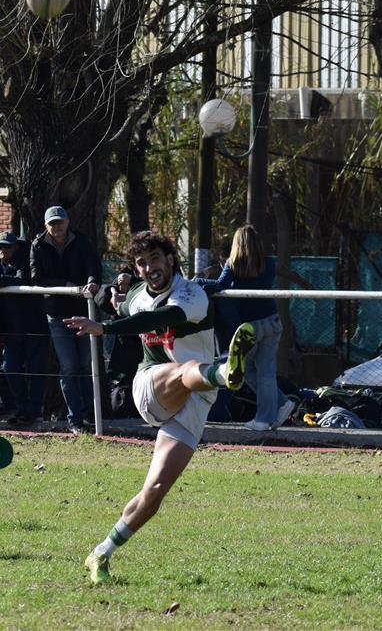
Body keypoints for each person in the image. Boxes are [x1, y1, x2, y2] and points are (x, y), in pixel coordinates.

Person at [63, 230, 263, 584]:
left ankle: (100, 553)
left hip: (195, 400)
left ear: (171, 259)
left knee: (154, 493)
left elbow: (157, 319)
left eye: (154, 259)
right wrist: (114, 294)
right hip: (151, 386)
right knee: (187, 371)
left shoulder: (192, 295)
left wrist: (106, 326)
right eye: (140, 263)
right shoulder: (139, 295)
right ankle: (224, 371)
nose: (148, 267)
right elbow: (125, 305)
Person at [192, 225, 304, 430]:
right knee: (264, 371)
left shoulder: (233, 264)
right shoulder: (269, 263)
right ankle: (281, 404)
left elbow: (219, 285)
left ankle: (264, 418)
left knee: (248, 370)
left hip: (251, 327)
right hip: (273, 322)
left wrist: (197, 281)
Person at [0, 230, 51, 425]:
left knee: (37, 370)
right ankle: (21, 408)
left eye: (8, 246)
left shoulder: (27, 258)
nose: (3, 250)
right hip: (9, 328)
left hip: (34, 325)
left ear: (16, 247)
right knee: (10, 367)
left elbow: (21, 280)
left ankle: (34, 411)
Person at [30, 205, 103, 434]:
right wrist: (65, 286)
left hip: (84, 312)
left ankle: (91, 415)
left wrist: (92, 281)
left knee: (85, 365)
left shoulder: (81, 241)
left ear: (67, 222)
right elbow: (36, 278)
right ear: (46, 226)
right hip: (57, 315)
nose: (57, 227)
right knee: (69, 367)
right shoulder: (38, 245)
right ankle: (75, 419)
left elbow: (93, 265)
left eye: (60, 222)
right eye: (52, 223)